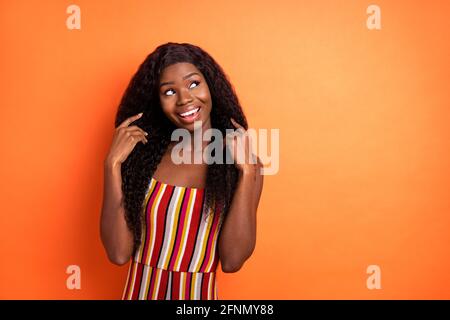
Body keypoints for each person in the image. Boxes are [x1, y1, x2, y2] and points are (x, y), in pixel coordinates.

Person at [100, 42, 264, 300]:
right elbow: (118, 254)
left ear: (211, 86)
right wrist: (111, 165)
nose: (184, 99)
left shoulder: (244, 165)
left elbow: (233, 261)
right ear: (157, 102)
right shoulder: (142, 158)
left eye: (194, 83)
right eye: (168, 92)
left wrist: (246, 172)